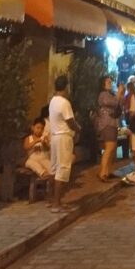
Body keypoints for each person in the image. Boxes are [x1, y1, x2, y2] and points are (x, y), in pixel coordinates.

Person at [48, 75, 81, 213]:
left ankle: (51, 200)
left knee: (54, 169)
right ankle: (56, 203)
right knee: (63, 169)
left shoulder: (53, 101)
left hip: (55, 136)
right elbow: (70, 121)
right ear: (66, 87)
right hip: (63, 137)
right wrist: (79, 128)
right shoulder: (64, 102)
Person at [96, 75, 121, 182]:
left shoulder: (110, 94)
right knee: (109, 148)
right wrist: (119, 95)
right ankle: (102, 173)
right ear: (103, 84)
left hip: (113, 123)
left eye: (111, 82)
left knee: (112, 147)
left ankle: (107, 171)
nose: (111, 84)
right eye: (108, 82)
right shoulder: (103, 94)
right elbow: (114, 103)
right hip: (107, 124)